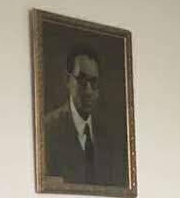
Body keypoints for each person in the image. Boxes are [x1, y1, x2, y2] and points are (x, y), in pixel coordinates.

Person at [42, 44, 121, 187]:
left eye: (94, 82)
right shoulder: (47, 130)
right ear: (67, 80)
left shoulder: (108, 135)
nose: (89, 91)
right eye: (82, 80)